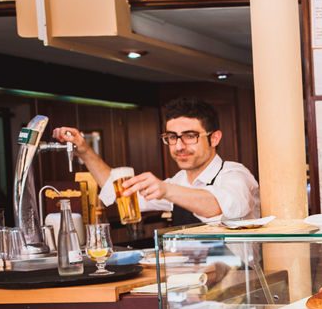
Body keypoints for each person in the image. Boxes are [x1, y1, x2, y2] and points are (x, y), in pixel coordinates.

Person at [53, 97, 259, 226]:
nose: (178, 146)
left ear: (214, 138)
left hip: (241, 286)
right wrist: (85, 151)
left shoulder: (235, 174)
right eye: (172, 137)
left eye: (189, 136)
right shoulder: (178, 181)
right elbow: (120, 193)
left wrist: (166, 190)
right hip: (191, 283)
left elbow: (223, 205)